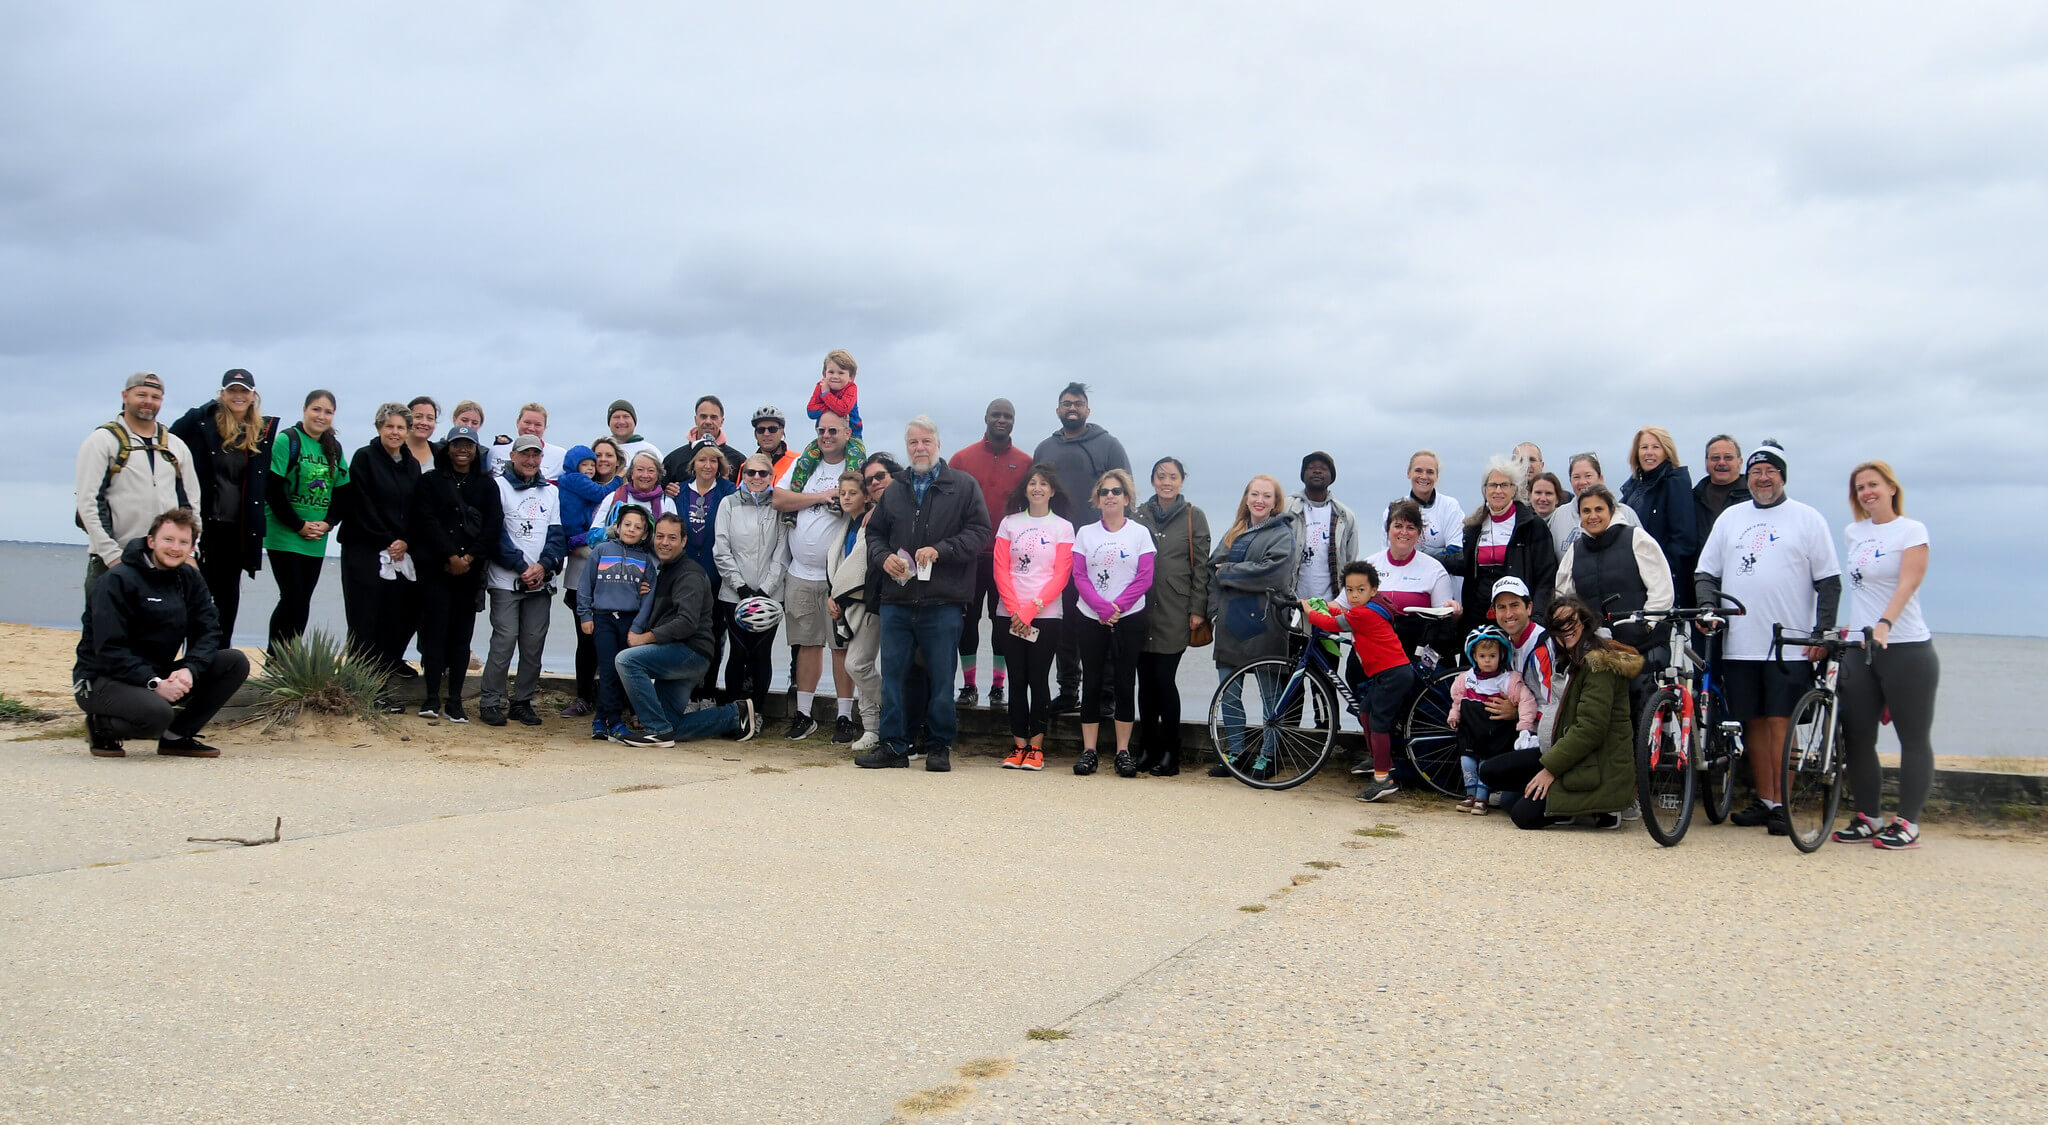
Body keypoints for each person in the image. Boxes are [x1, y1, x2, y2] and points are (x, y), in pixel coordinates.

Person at [1693, 440, 1841, 836]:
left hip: (1788, 643)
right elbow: (1706, 573)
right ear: (1749, 476)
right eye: (1757, 471)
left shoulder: (1807, 519)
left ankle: (1785, 806)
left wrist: (1823, 631)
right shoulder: (1731, 518)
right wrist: (1708, 607)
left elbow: (1829, 583)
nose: (1762, 478)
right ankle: (1765, 799)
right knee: (1753, 723)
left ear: (1782, 476)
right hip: (1741, 640)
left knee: (1782, 724)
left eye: (1770, 471)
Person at [855, 416, 991, 772]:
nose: (919, 448)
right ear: (907, 447)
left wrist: (941, 550)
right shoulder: (895, 489)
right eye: (913, 442)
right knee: (894, 678)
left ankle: (938, 746)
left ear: (938, 444)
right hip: (897, 601)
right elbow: (875, 535)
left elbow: (980, 533)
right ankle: (894, 747)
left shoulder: (962, 486)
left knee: (943, 679)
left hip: (943, 601)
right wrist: (883, 559)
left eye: (926, 441)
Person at [71, 508, 251, 759]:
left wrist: (189, 669)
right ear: (151, 541)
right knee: (158, 714)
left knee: (234, 662)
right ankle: (101, 726)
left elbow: (208, 631)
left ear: (191, 548)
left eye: (183, 542)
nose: (175, 548)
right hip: (101, 679)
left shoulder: (189, 579)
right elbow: (109, 649)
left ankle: (176, 737)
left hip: (154, 676)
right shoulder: (118, 580)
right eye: (168, 540)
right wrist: (154, 683)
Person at [1832, 461, 1937, 851]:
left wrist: (1885, 623)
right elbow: (1860, 590)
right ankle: (1868, 816)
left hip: (1905, 646)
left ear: (1891, 488)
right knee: (1857, 736)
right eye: (1860, 488)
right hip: (1861, 649)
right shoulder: (1853, 533)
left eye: (1873, 484)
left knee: (1913, 737)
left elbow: (1909, 580)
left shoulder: (1911, 531)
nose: (1866, 492)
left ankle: (1907, 822)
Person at [1476, 597, 1641, 829]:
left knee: (1521, 815)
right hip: (1567, 754)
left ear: (1584, 622)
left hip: (1596, 764)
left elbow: (1590, 730)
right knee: (1490, 772)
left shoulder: (1599, 663)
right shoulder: (1568, 656)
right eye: (1558, 626)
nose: (1566, 630)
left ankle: (1604, 808)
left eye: (1571, 622)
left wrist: (1550, 770)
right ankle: (1564, 803)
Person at [614, 514, 761, 747]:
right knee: (672, 725)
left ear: (683, 542)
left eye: (672, 538)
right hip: (679, 652)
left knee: (626, 661)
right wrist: (645, 592)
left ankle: (656, 731)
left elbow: (686, 623)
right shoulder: (665, 570)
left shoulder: (689, 573)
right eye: (660, 536)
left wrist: (645, 638)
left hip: (690, 652)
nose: (664, 542)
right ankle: (735, 715)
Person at [1032, 382, 1132, 712]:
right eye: (1065, 403)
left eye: (1078, 403)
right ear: (1058, 410)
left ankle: (1104, 693)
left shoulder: (1108, 444)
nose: (1071, 408)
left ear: (1088, 409)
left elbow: (1125, 493)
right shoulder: (1045, 447)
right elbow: (1035, 493)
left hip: (1098, 548)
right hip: (1057, 547)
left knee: (1100, 620)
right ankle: (1068, 690)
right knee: (1064, 623)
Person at [168, 369, 275, 646]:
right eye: (232, 390)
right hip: (205, 526)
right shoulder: (200, 421)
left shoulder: (261, 431)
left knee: (227, 601)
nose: (238, 396)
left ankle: (218, 661)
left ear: (253, 395)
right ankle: (190, 662)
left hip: (238, 531)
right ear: (222, 393)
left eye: (244, 391)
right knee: (196, 597)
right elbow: (167, 446)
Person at [407, 424, 505, 723]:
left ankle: (455, 701)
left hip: (470, 572)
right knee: (434, 635)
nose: (463, 450)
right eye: (457, 444)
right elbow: (425, 521)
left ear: (477, 451)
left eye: (469, 446)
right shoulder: (430, 481)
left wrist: (470, 557)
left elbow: (493, 526)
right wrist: (450, 555)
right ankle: (431, 697)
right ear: (447, 448)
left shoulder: (487, 485)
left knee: (461, 639)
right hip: (437, 569)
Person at [76, 371, 201, 600]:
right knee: (105, 634)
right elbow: (88, 503)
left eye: (155, 397)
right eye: (141, 394)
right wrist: (112, 556)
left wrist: (191, 550)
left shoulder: (175, 446)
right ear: (125, 396)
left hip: (166, 561)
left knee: (164, 633)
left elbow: (191, 504)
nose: (148, 402)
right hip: (113, 560)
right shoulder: (102, 441)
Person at [1206, 475, 1300, 778]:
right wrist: (1214, 611)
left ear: (1275, 502)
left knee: (1270, 696)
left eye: (1267, 496)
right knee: (1228, 693)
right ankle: (1234, 752)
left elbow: (1272, 574)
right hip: (1230, 622)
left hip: (1266, 622)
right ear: (1247, 497)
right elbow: (1212, 570)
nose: (1260, 500)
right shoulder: (1234, 532)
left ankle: (1267, 756)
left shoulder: (1282, 533)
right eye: (1255, 494)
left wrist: (1230, 571)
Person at [771, 411, 855, 739]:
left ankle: (845, 717)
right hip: (800, 572)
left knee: (841, 646)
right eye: (821, 430)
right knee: (807, 644)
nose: (826, 436)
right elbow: (779, 498)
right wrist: (820, 496)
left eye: (833, 430)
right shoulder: (805, 464)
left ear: (848, 433)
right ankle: (804, 715)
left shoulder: (854, 466)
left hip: (838, 575)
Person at [1300, 561, 1411, 802]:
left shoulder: (1363, 613)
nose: (1354, 595)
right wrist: (1328, 609)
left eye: (1360, 590)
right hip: (1387, 673)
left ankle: (1383, 780)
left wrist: (1310, 612)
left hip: (1392, 674)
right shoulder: (1367, 609)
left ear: (1373, 590)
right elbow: (1343, 615)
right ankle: (1379, 759)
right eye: (1349, 590)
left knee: (1379, 724)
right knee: (1365, 711)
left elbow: (1332, 624)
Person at [948, 398, 1033, 710]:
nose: (1001, 420)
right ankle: (969, 686)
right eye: (996, 414)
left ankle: (998, 688)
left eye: (1007, 416)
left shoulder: (1026, 462)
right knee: (967, 624)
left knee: (1003, 625)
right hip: (968, 557)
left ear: (1014, 421)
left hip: (1007, 559)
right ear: (985, 417)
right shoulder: (961, 459)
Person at [991, 463, 1075, 770]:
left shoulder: (1063, 527)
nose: (1037, 488)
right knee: (1016, 679)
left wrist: (1031, 609)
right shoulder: (1009, 523)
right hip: (1008, 615)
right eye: (1032, 483)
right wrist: (1015, 609)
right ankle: (1018, 745)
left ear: (1052, 491)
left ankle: (1036, 747)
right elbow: (1000, 568)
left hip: (1047, 615)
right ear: (1025, 489)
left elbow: (1061, 573)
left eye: (1043, 484)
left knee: (1038, 679)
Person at [1070, 468, 1154, 778]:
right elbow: (1079, 575)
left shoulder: (1139, 534)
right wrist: (1101, 607)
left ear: (1127, 498)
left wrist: (1118, 606)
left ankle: (1122, 752)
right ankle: (1089, 750)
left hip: (1129, 618)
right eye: (1105, 491)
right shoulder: (1086, 533)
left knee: (1123, 683)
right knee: (1091, 682)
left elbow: (1145, 576)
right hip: (1092, 617)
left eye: (1116, 491)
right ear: (1097, 498)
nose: (1110, 496)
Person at [337, 403, 425, 697]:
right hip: (364, 549)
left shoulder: (411, 464)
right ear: (379, 428)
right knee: (365, 621)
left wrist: (406, 541)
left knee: (397, 617)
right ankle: (359, 689)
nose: (395, 432)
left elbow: (415, 510)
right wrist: (389, 539)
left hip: (400, 553)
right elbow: (361, 504)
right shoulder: (364, 458)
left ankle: (381, 682)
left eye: (401, 427)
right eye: (390, 426)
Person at [480, 433, 567, 728]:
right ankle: (491, 701)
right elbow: (495, 535)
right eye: (525, 454)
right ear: (513, 456)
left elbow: (557, 536)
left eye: (536, 455)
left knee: (533, 644)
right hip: (505, 580)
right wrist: (520, 567)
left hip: (540, 584)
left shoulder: (551, 493)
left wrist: (543, 567)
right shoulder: (498, 487)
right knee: (504, 641)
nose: (531, 460)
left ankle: (522, 701)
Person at [1130, 457, 1209, 777]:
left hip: (1176, 610)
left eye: (1173, 476)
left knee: (1164, 681)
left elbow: (1201, 567)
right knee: (1144, 684)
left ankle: (1170, 754)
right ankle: (1146, 750)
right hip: (1139, 609)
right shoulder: (1137, 515)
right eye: (1161, 476)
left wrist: (1198, 609)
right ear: (1152, 480)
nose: (1166, 481)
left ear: (1181, 481)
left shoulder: (1194, 516)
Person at [264, 390, 347, 653]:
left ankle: (291, 657)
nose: (321, 416)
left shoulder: (334, 447)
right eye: (316, 409)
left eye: (328, 412)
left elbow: (344, 492)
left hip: (317, 537)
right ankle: (276, 660)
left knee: (302, 601)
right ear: (304, 410)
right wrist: (298, 525)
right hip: (285, 532)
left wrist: (329, 523)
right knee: (292, 597)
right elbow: (273, 489)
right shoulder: (287, 440)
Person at [1554, 484, 1674, 658]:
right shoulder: (1575, 550)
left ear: (1611, 510)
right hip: (1595, 649)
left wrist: (1648, 624)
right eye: (1586, 511)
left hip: (1642, 648)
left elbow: (1661, 589)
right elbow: (1564, 598)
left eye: (1599, 509)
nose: (1592, 516)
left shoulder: (1637, 538)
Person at [714, 453, 791, 719]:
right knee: (737, 652)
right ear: (743, 475)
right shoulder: (728, 504)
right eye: (751, 473)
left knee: (760, 654)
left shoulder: (779, 505)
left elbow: (783, 551)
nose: (756, 478)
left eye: (763, 473)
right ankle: (732, 715)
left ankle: (756, 713)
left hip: (770, 596)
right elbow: (721, 549)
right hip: (733, 595)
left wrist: (765, 590)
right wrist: (741, 588)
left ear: (771, 476)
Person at [579, 506, 660, 743]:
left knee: (622, 670)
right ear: (617, 527)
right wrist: (585, 615)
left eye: (638, 527)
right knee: (607, 670)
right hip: (603, 619)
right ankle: (611, 721)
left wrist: (638, 626)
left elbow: (649, 599)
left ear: (645, 534)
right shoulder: (601, 551)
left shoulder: (646, 561)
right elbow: (586, 585)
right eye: (627, 524)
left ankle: (602, 720)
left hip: (629, 622)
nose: (631, 530)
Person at [1455, 457, 1558, 633]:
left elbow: (1546, 577)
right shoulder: (1474, 526)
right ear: (1485, 490)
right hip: (1479, 617)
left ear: (1514, 490)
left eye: (1504, 485)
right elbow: (1463, 563)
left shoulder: (1532, 525)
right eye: (1492, 485)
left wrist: (1537, 617)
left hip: (1517, 617)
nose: (1498, 491)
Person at [1446, 625, 1537, 814]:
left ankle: (1482, 798)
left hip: (1494, 733)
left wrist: (1524, 728)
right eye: (1482, 656)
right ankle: (1470, 795)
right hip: (1470, 731)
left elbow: (1527, 702)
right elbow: (1458, 699)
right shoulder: (1466, 679)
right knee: (1467, 762)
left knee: (1486, 764)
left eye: (1492, 656)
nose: (1487, 661)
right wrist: (1454, 714)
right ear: (1474, 656)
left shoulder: (1509, 681)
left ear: (1501, 655)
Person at [674, 442, 740, 689]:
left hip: (716, 575)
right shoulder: (678, 491)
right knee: (684, 632)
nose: (708, 465)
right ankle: (685, 691)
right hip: (685, 575)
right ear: (693, 463)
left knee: (713, 635)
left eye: (713, 460)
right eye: (702, 460)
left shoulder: (729, 491)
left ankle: (708, 690)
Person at [553, 443, 610, 717]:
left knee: (612, 640)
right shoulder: (584, 485)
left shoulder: (618, 490)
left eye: (608, 455)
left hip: (612, 579)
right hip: (579, 575)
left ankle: (611, 700)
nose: (600, 461)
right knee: (585, 639)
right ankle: (583, 697)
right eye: (596, 456)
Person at [826, 471, 882, 748]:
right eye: (842, 493)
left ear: (866, 496)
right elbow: (839, 566)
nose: (846, 498)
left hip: (869, 604)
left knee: (856, 664)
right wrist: (832, 595)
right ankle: (871, 728)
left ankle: (901, 710)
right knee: (862, 668)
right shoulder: (845, 525)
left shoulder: (871, 523)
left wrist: (842, 592)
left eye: (852, 493)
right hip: (846, 603)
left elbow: (862, 567)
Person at [1365, 499, 1459, 658]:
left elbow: (1443, 622)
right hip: (1376, 647)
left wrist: (1456, 611)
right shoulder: (1368, 566)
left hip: (1416, 648)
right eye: (1398, 526)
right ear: (1388, 529)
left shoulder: (1435, 569)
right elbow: (1344, 605)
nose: (1404, 532)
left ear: (1419, 533)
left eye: (1410, 527)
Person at [1619, 426, 1699, 598]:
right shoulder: (1632, 488)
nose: (1649, 453)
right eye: (1644, 447)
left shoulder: (1676, 483)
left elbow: (1683, 539)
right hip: (1633, 578)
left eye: (1656, 447)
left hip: (1663, 582)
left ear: (1667, 451)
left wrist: (1658, 573)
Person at [1489, 577, 1566, 754]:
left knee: (1490, 772)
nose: (1508, 614)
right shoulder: (1504, 646)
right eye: (1502, 607)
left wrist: (1517, 713)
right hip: (1525, 728)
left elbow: (1556, 706)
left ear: (1529, 607)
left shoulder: (1542, 647)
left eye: (1514, 605)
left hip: (1549, 736)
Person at [789, 349, 866, 491]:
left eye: (841, 372)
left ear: (851, 376)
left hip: (853, 436)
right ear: (824, 374)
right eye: (831, 372)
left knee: (856, 463)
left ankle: (853, 494)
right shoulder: (820, 386)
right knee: (805, 460)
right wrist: (831, 404)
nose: (835, 376)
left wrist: (826, 396)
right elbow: (811, 411)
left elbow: (843, 409)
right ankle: (795, 492)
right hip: (825, 436)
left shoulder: (851, 389)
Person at [1291, 451, 1361, 604]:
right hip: (1291, 603)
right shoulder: (1287, 510)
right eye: (1311, 467)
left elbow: (1351, 561)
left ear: (1332, 476)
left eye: (1323, 468)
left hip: (1331, 605)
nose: (1317, 471)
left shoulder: (1345, 516)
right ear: (1303, 474)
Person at [1385, 450, 1464, 570]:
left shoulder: (1450, 506)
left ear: (1437, 476)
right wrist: (1440, 551)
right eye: (1418, 470)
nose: (1424, 476)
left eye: (1430, 472)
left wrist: (1411, 555)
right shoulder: (1393, 510)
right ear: (1408, 473)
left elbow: (1456, 554)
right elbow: (1391, 554)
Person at [1558, 453, 1641, 554]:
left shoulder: (1625, 513)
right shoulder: (1559, 516)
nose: (1582, 482)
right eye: (1576, 477)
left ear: (1600, 479)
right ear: (1570, 481)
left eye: (1588, 476)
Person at [662, 396, 745, 485]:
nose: (708, 421)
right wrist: (667, 491)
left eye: (713, 417)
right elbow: (659, 490)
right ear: (696, 420)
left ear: (722, 421)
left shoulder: (738, 460)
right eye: (703, 416)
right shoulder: (673, 460)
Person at [488, 402, 567, 480]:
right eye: (527, 422)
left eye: (538, 425)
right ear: (517, 422)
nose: (531, 428)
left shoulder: (561, 456)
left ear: (545, 427)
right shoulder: (496, 452)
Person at [1692, 434, 1751, 539]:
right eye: (1715, 458)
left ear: (1740, 462)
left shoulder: (1754, 497)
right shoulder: (1693, 498)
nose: (1721, 463)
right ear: (1706, 462)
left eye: (1728, 458)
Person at [746, 405, 798, 484]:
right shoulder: (747, 466)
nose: (766, 434)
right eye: (761, 430)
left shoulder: (798, 461)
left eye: (772, 429)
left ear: (782, 432)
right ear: (755, 434)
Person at [1531, 472, 1579, 555]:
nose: (1543, 498)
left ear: (1557, 498)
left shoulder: (1567, 523)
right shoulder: (1522, 524)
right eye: (1538, 493)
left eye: (1548, 493)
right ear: (1530, 495)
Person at [604, 399, 662, 467]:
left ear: (634, 421)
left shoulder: (651, 451)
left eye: (626, 417)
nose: (621, 422)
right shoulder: (601, 452)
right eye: (616, 417)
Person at [404, 396, 439, 469]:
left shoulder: (440, 455)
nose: (424, 423)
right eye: (418, 417)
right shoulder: (393, 449)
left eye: (430, 418)